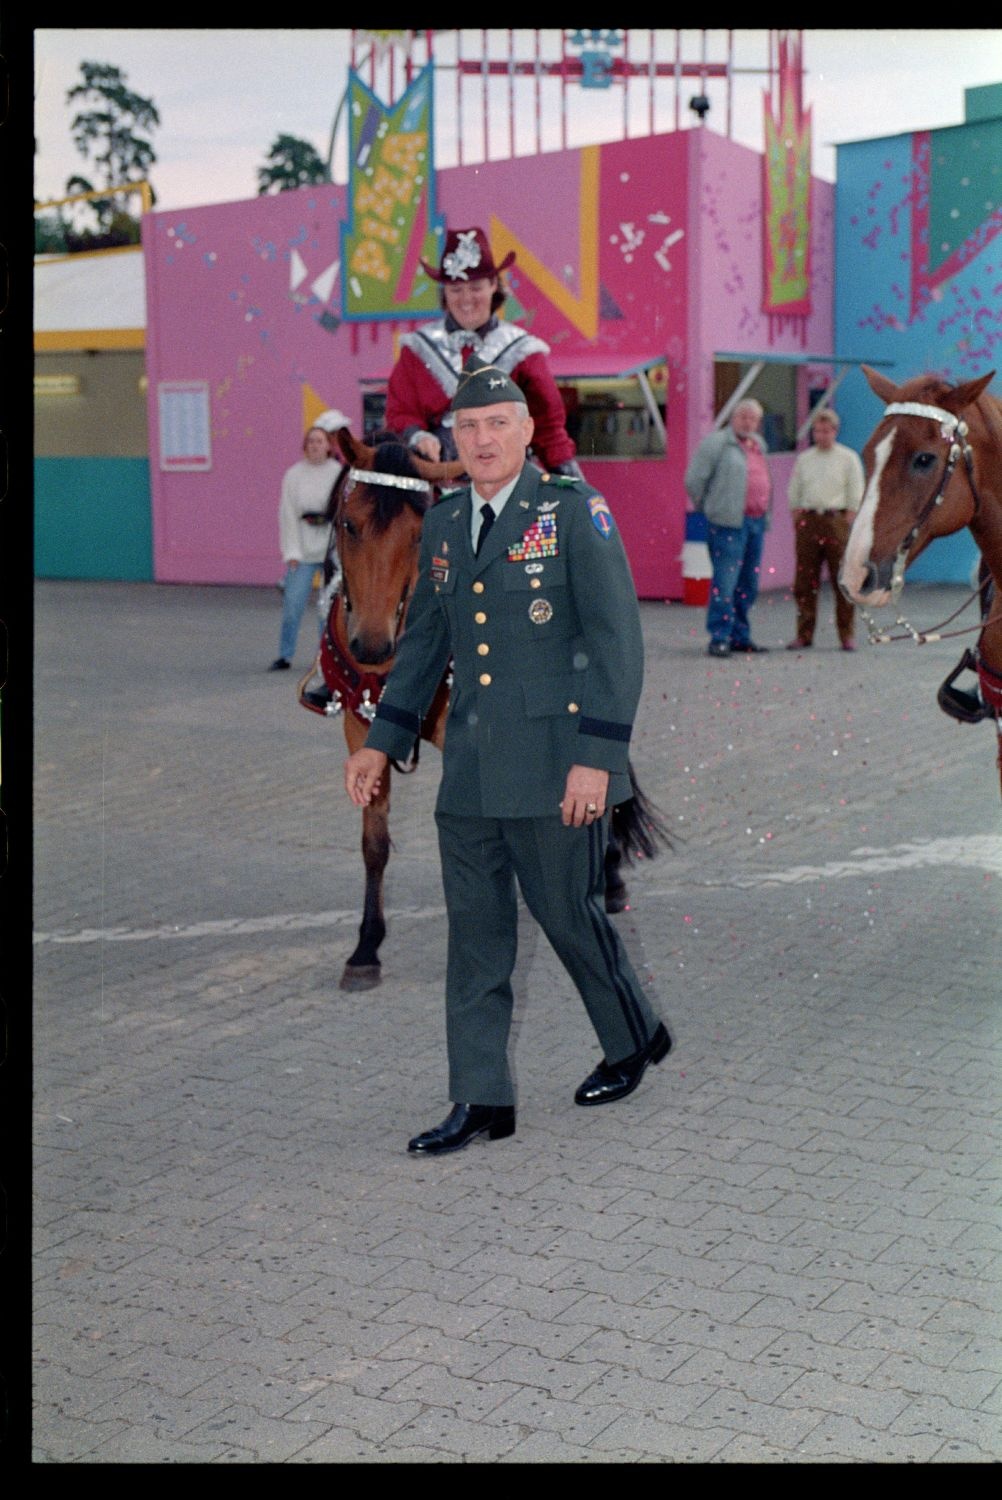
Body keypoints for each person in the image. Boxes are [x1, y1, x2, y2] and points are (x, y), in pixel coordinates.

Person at [344, 354, 670, 1156]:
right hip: (473, 769)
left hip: (559, 765)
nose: (484, 439)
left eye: (499, 424)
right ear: (455, 438)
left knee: (567, 916)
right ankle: (481, 1099)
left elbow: (615, 643)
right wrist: (382, 742)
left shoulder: (572, 512)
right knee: (477, 936)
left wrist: (599, 760)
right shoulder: (448, 522)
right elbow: (426, 644)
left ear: (526, 433)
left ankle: (631, 1039)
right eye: (470, 426)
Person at [385, 225, 583, 478]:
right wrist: (417, 435)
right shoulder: (417, 349)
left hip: (506, 481)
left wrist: (577, 487)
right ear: (444, 292)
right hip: (436, 480)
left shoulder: (524, 352)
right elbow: (400, 412)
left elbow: (549, 430)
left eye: (476, 287)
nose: (466, 299)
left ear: (494, 285)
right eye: (456, 289)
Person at [684, 398, 773, 658]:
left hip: (755, 523)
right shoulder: (717, 444)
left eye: (753, 418)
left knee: (749, 582)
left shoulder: (759, 445)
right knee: (725, 583)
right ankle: (719, 637)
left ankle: (740, 636)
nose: (748, 422)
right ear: (733, 419)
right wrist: (709, 508)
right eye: (743, 416)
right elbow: (693, 480)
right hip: (727, 525)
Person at [785, 408, 865, 652]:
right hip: (809, 519)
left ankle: (847, 634)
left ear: (835, 432)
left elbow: (856, 488)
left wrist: (850, 514)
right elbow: (794, 488)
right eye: (818, 431)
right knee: (804, 581)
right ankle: (804, 633)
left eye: (826, 431)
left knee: (842, 580)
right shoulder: (805, 459)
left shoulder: (848, 458)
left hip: (836, 519)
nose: (822, 435)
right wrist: (796, 513)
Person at [269, 425, 340, 671]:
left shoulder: (337, 473)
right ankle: (285, 655)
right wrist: (291, 553)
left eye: (319, 441)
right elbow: (287, 514)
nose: (315, 445)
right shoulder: (293, 475)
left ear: (328, 446)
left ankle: (327, 658)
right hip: (303, 552)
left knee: (328, 609)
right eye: (311, 441)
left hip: (330, 552)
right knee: (293, 604)